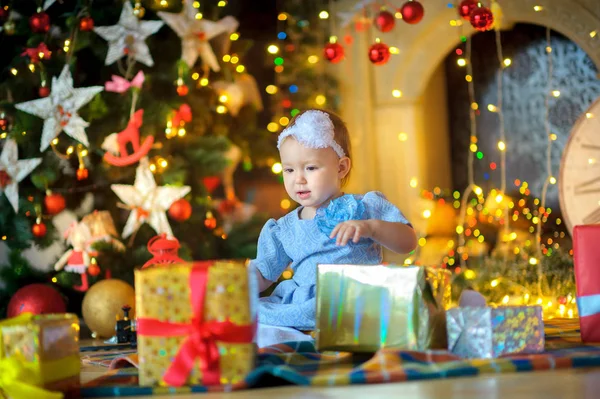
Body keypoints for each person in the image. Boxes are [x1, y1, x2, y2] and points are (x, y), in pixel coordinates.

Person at [251, 109, 417, 346]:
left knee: (405, 312)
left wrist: (372, 228)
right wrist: (235, 288)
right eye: (289, 170)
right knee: (260, 322)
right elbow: (264, 273)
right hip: (305, 308)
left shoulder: (365, 207)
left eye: (310, 168)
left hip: (355, 302)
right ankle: (298, 348)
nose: (298, 179)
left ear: (341, 168)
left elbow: (408, 242)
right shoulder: (283, 229)